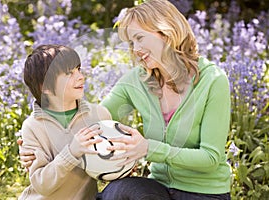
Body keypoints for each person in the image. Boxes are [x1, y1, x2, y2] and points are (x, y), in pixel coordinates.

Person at [19, 0, 232, 199]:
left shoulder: (212, 80)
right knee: (117, 192)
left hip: (204, 193)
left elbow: (210, 159)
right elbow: (89, 121)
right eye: (131, 42)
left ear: (166, 32)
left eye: (139, 38)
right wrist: (36, 145)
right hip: (159, 186)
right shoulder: (137, 81)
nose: (136, 50)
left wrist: (148, 148)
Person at [18, 44, 111, 200]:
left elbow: (109, 164)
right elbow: (42, 185)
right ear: (45, 86)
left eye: (78, 70)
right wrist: (72, 151)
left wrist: (124, 163)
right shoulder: (33, 127)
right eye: (69, 73)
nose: (81, 77)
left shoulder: (99, 115)